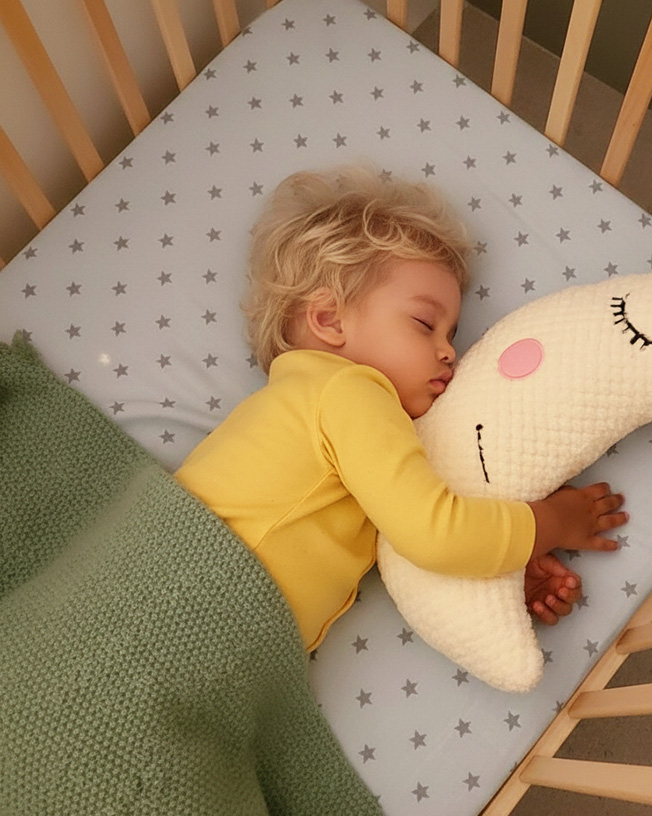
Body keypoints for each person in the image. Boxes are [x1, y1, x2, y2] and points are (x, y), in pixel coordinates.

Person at [176, 166, 626, 653]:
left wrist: (506, 578)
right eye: (424, 324)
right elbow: (436, 536)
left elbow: (407, 545)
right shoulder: (346, 390)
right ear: (329, 319)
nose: (449, 352)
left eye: (451, 335)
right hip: (186, 599)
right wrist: (551, 523)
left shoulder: (307, 413)